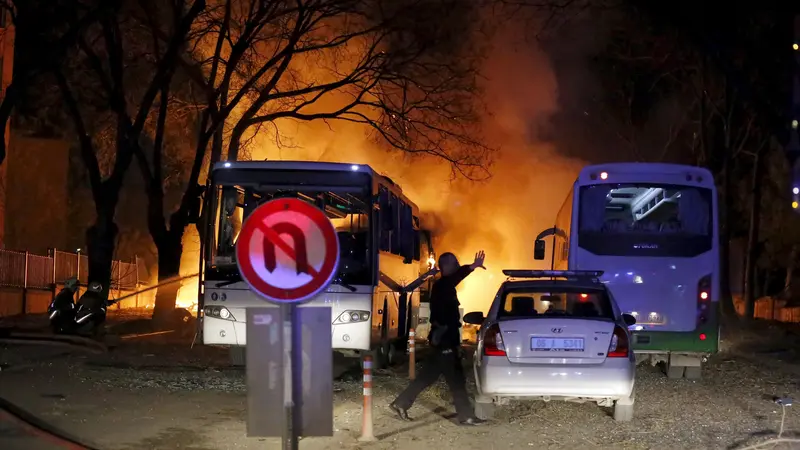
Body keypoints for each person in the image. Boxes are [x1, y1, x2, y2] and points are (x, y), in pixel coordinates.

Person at [389, 250, 487, 426]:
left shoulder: (445, 285)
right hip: (444, 340)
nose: (457, 266)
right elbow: (442, 318)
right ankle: (466, 416)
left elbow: (455, 279)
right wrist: (472, 267)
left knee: (427, 376)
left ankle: (401, 403)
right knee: (456, 379)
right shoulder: (443, 285)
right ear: (447, 266)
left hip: (442, 339)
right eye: (455, 263)